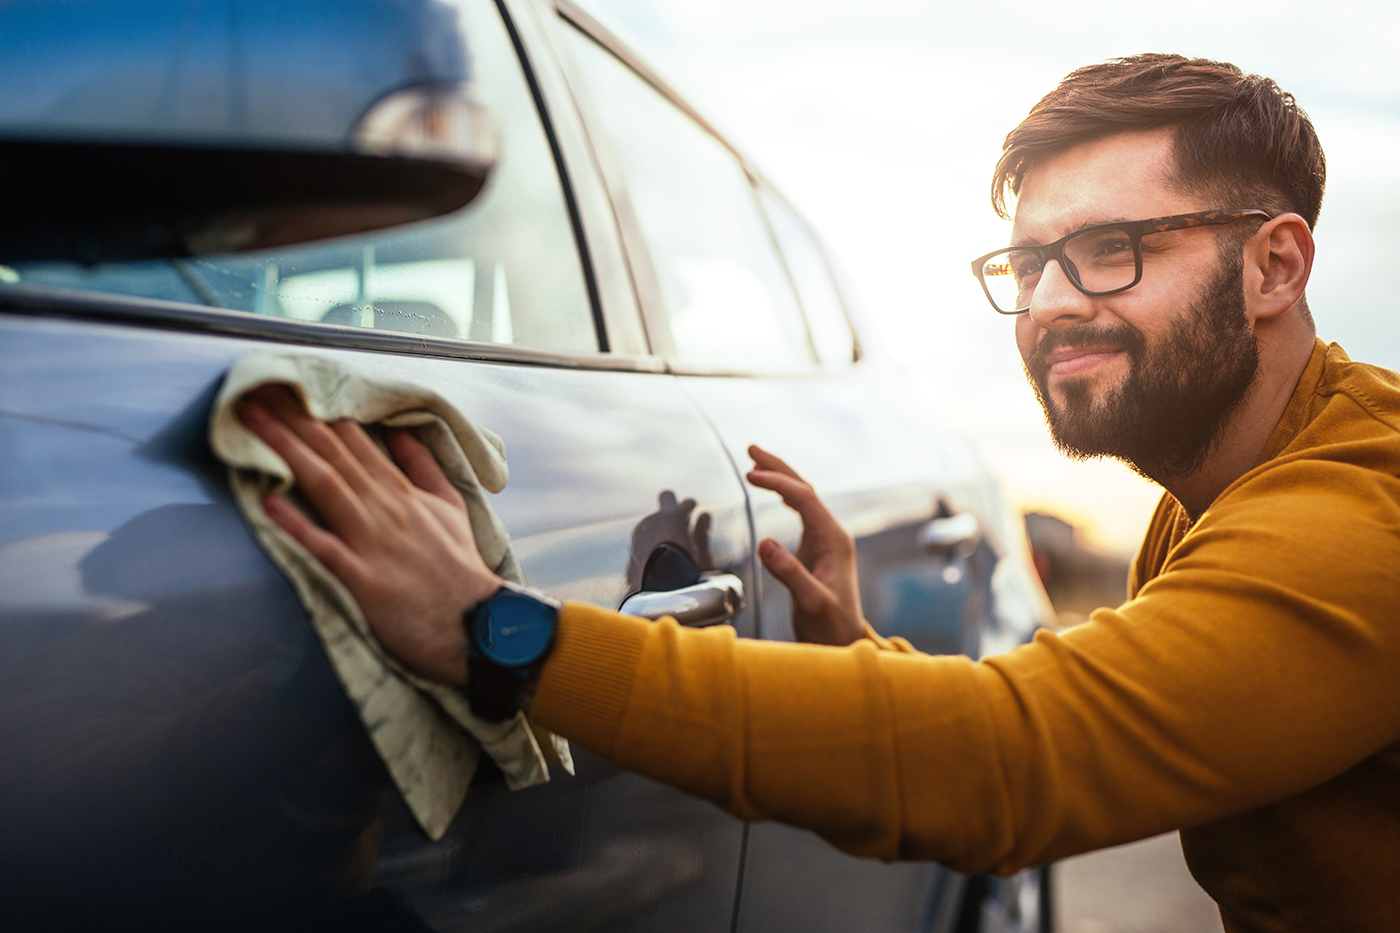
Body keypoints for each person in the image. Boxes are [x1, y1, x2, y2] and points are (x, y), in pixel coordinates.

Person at [238, 53, 1400, 933]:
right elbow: (1087, 723)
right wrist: (852, 652)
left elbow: (1017, 763)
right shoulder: (1207, 493)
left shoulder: (1359, 517)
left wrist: (499, 636)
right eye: (1028, 261)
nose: (1049, 301)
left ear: (1274, 266)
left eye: (1111, 249)